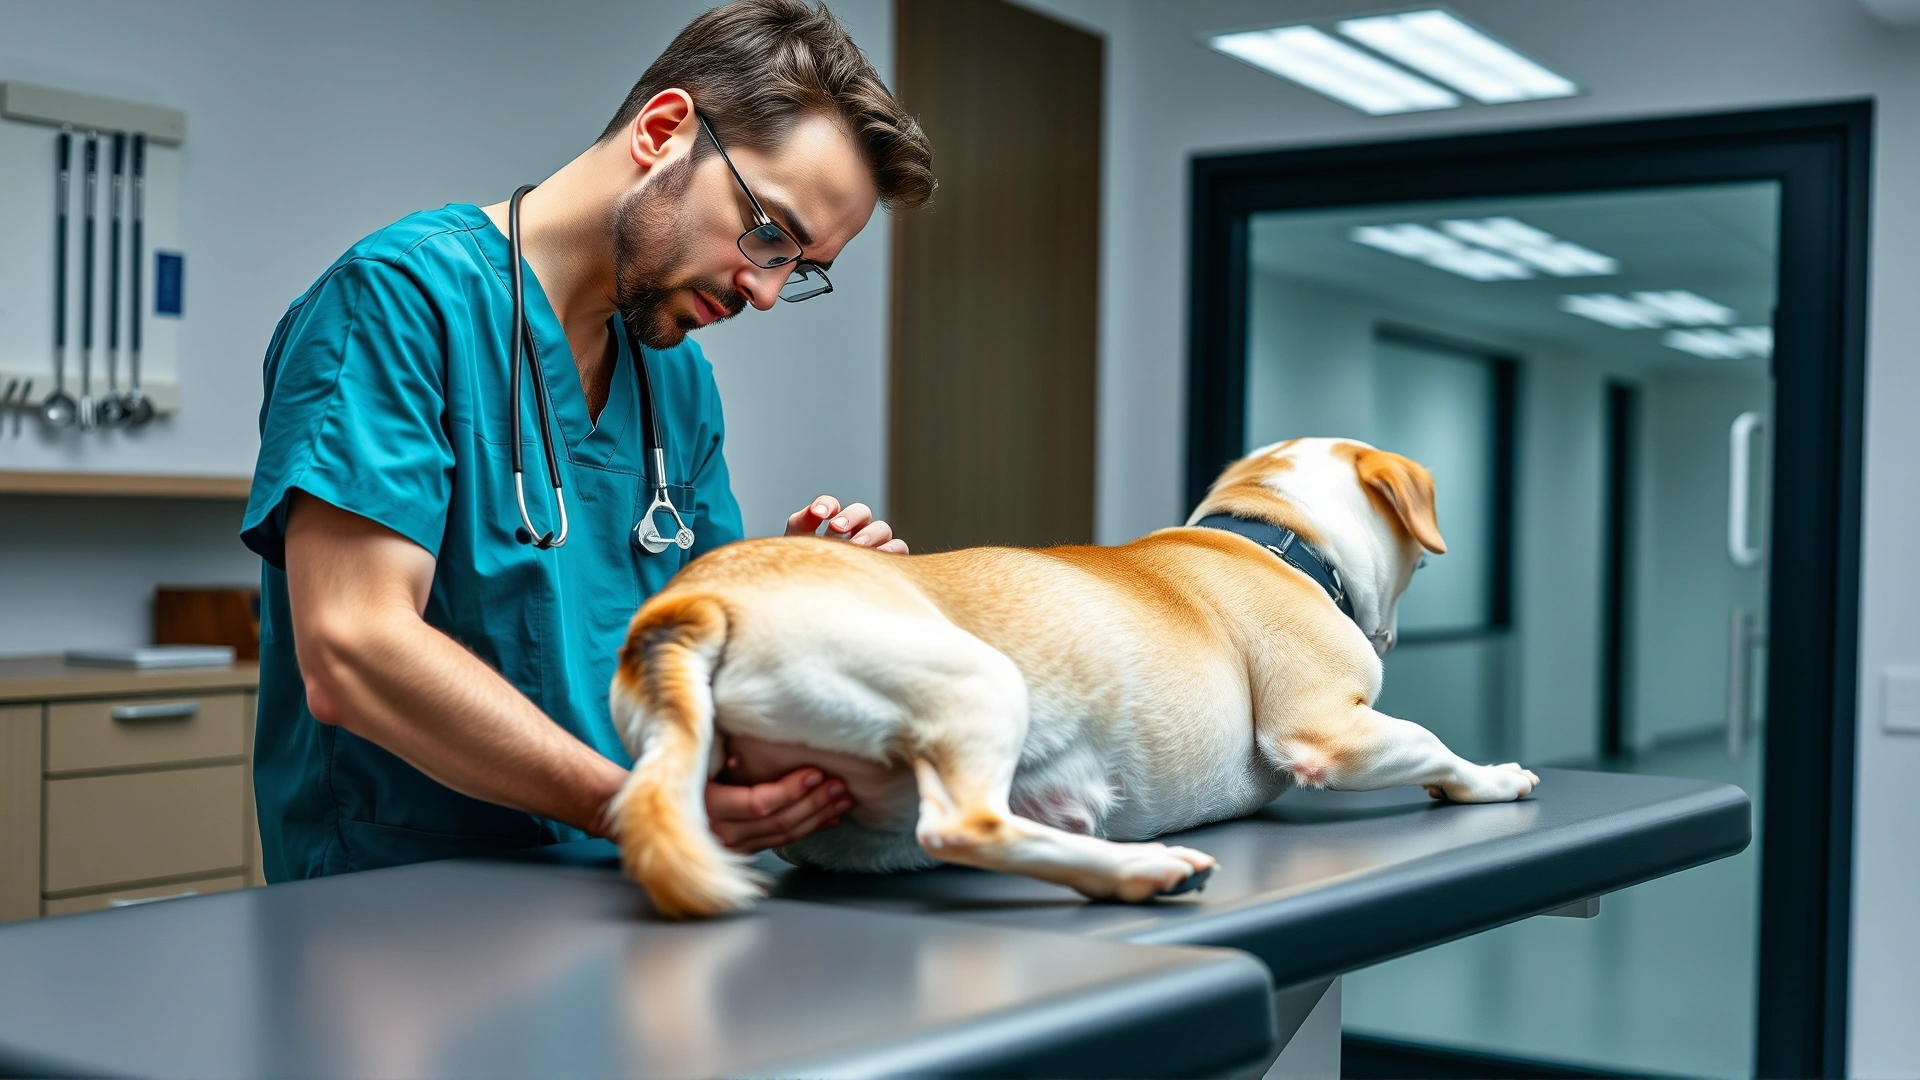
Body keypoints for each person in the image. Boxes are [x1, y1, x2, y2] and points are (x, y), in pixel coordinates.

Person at [239, 0, 934, 880]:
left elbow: (693, 670)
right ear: (664, 130)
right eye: (768, 235)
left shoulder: (674, 379)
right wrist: (636, 807)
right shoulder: (396, 303)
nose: (765, 292)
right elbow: (353, 650)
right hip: (399, 917)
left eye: (800, 272)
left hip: (629, 894)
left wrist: (787, 603)